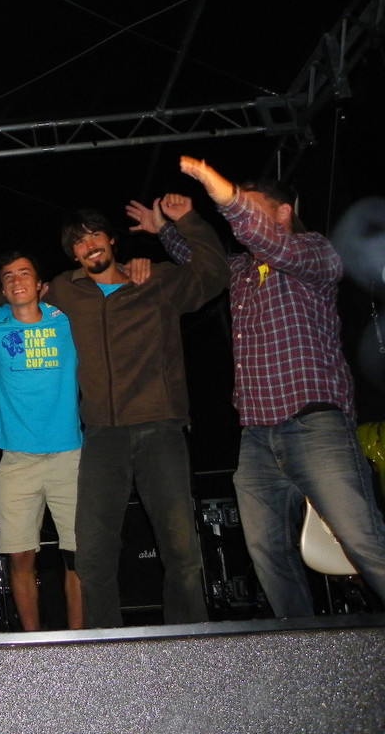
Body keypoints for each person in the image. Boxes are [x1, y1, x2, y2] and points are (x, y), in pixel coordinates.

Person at [143, 156, 385, 617]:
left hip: (315, 426)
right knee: (267, 554)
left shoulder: (314, 253)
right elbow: (203, 261)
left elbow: (267, 240)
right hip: (257, 437)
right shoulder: (241, 271)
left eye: (253, 210)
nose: (243, 223)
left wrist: (221, 190)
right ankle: (299, 646)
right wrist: (168, 230)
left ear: (283, 212)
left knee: (363, 540)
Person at [0, 197, 226, 629]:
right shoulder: (68, 291)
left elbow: (214, 273)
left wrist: (180, 224)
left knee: (181, 549)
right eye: (78, 241)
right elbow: (23, 291)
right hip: (103, 435)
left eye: (94, 235)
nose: (88, 245)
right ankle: (104, 645)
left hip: (159, 427)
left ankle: (187, 642)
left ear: (111, 239)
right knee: (92, 553)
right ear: (73, 254)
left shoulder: (154, 279)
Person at [0, 251, 83, 630]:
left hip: (69, 455)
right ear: (2, 289)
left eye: (24, 273)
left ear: (40, 285)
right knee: (20, 557)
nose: (17, 280)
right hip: (17, 460)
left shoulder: (66, 319)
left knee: (77, 557)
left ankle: (81, 643)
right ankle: (32, 645)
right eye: (8, 276)